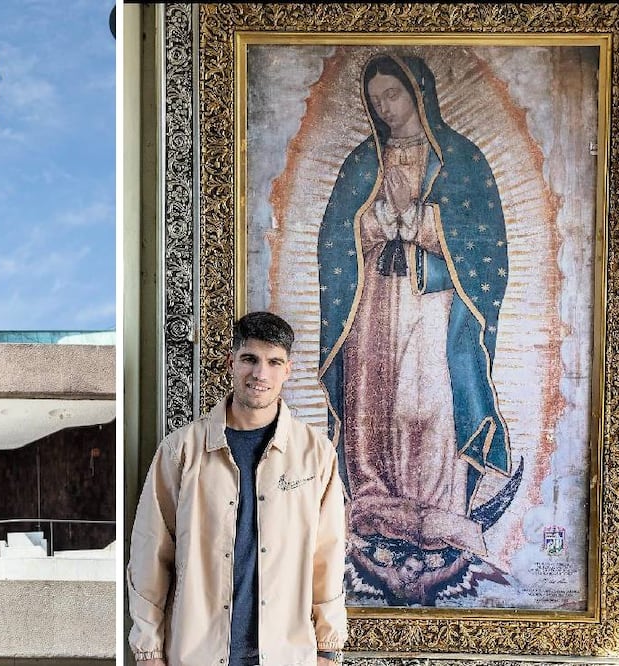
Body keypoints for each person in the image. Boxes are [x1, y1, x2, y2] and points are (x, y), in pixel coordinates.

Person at [317, 54, 512, 559]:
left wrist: (428, 225)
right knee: (373, 399)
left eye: (393, 95)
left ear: (417, 92)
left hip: (432, 302)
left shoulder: (459, 160)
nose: (384, 108)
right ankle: (376, 501)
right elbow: (335, 236)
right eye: (376, 99)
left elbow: (485, 242)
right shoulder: (364, 161)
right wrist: (372, 226)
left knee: (424, 401)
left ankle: (439, 506)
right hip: (375, 302)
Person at [127, 311, 347, 666]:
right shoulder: (180, 450)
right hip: (197, 654)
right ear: (231, 362)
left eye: (274, 362)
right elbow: (150, 554)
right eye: (250, 359)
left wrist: (328, 648)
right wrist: (149, 651)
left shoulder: (315, 454)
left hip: (286, 656)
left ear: (287, 370)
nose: (261, 374)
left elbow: (329, 554)